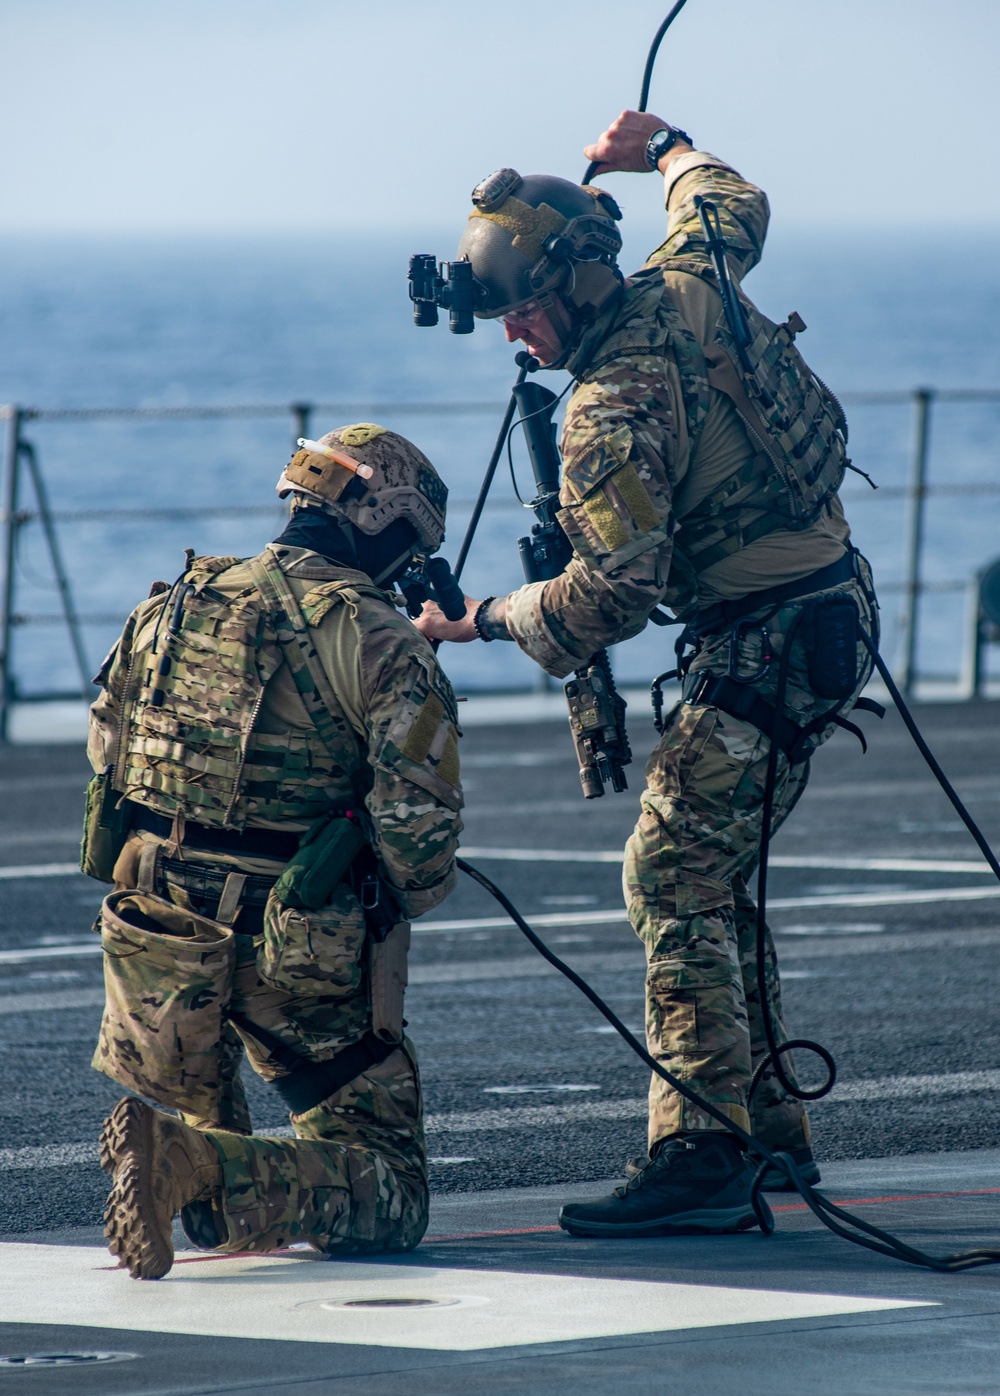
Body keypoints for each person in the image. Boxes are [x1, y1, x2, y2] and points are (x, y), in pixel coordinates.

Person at [414, 111, 878, 1237]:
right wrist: (663, 142)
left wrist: (480, 620)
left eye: (523, 310)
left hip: (766, 644)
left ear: (575, 285)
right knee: (715, 879)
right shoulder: (693, 268)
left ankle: (700, 1154)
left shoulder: (610, 407)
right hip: (824, 612)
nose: (517, 336)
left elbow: (612, 593)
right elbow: (728, 196)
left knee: (669, 873)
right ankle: (766, 1131)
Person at [86, 423, 463, 1277]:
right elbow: (421, 852)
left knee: (223, 1206)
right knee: (387, 1192)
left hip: (156, 938)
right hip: (295, 947)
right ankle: (198, 1163)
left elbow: (108, 761)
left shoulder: (169, 605)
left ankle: (196, 1162)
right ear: (376, 521)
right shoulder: (381, 637)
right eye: (403, 545)